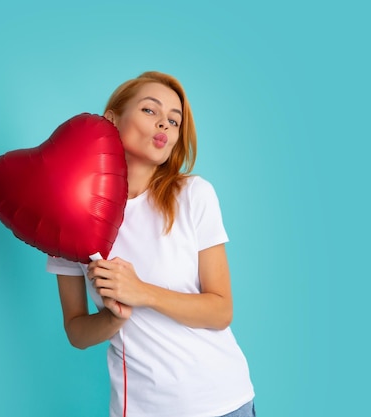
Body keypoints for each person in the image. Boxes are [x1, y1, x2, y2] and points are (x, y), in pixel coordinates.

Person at [46, 71, 255, 417]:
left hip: (224, 402)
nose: (165, 126)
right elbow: (77, 332)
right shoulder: (71, 214)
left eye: (174, 121)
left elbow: (221, 310)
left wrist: (143, 292)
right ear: (111, 120)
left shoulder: (193, 196)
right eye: (149, 111)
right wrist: (113, 319)